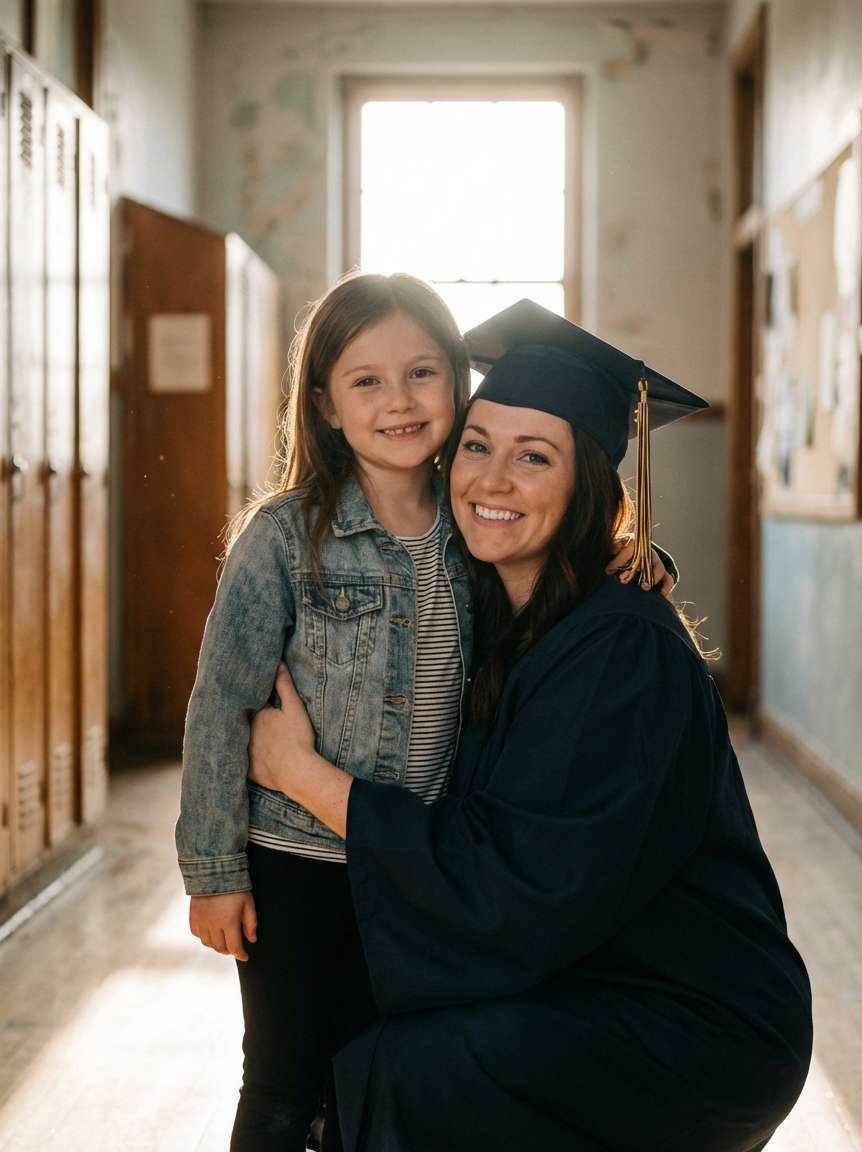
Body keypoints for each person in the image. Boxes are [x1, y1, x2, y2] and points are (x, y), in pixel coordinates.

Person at [246, 300, 814, 1152]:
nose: (493, 481)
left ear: (588, 487)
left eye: (535, 457)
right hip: (581, 972)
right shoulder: (481, 603)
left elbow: (518, 884)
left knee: (405, 1070)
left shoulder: (622, 651)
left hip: (686, 1019)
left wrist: (301, 775)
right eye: (477, 446)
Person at [174, 276, 676, 1152]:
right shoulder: (285, 538)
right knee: (286, 1077)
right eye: (365, 381)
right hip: (298, 860)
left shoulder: (473, 523)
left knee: (376, 1068)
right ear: (324, 403)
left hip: (415, 866)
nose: (399, 401)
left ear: (457, 381)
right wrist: (213, 870)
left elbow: (554, 553)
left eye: (421, 373)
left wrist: (639, 553)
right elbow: (220, 701)